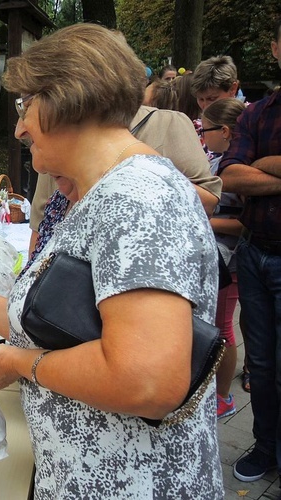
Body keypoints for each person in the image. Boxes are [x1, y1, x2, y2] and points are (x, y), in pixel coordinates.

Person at [0, 24, 221, 498]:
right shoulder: (105, 193)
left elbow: (148, 382)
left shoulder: (138, 199)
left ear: (67, 98)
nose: (18, 126)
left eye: (24, 105)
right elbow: (65, 324)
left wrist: (18, 363)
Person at [28, 102, 222, 259]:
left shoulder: (167, 123)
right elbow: (40, 225)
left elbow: (207, 202)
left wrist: (126, 172)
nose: (20, 129)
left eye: (29, 103)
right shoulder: (53, 141)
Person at [220, 19, 281, 483]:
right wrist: (254, 170)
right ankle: (265, 447)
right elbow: (232, 176)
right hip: (256, 254)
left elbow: (247, 171)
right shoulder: (257, 113)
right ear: (276, 48)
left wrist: (262, 164)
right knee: (260, 362)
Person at [201, 98, 247, 418]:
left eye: (206, 131)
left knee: (223, 329)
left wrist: (201, 219)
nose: (203, 138)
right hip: (219, 255)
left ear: (226, 131)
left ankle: (223, 398)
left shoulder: (235, 169)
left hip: (228, 261)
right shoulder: (221, 160)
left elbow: (244, 223)